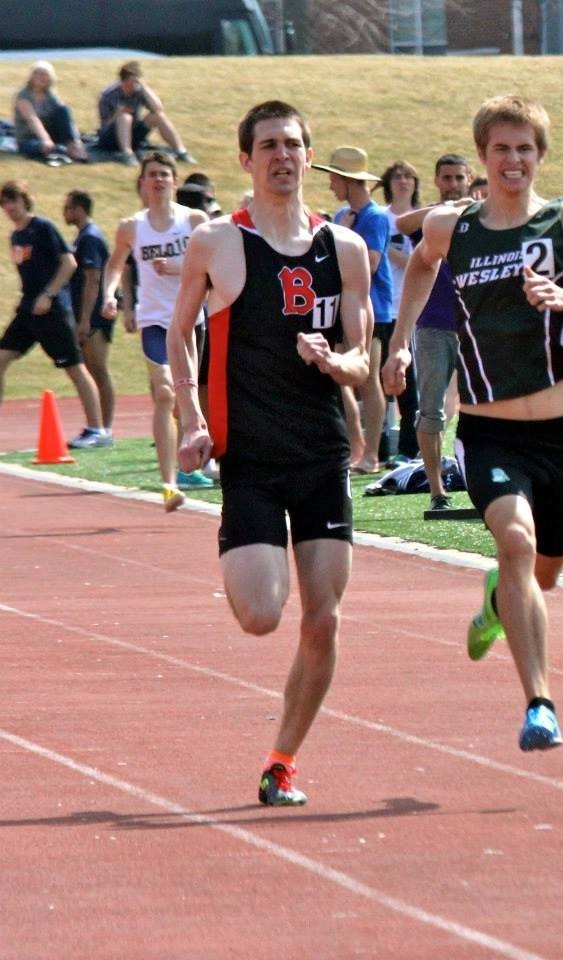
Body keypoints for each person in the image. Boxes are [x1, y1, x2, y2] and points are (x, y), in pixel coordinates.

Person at [383, 95, 563, 750]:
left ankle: (498, 603)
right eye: (501, 149)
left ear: (539, 155)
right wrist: (401, 341)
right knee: (515, 544)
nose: (513, 159)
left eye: (524, 148)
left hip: (562, 433)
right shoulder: (453, 227)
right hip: (489, 431)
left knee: (541, 575)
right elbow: (417, 264)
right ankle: (540, 704)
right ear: (483, 157)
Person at [166, 100, 371, 806]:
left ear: (307, 156)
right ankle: (248, 555)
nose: (282, 156)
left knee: (325, 616)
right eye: (268, 145)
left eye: (292, 144)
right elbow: (179, 334)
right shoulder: (217, 242)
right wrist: (191, 416)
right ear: (246, 160)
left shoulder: (344, 249)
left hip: (319, 453)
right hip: (249, 457)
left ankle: (282, 759)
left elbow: (362, 360)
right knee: (261, 614)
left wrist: (333, 362)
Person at [101, 151, 210, 510]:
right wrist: (110, 295)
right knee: (165, 392)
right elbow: (115, 264)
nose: (159, 179)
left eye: (165, 173)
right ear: (143, 183)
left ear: (175, 181)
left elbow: (210, 265)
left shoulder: (194, 220)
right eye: (153, 174)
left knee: (189, 395)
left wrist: (177, 267)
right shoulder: (132, 226)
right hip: (155, 321)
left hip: (190, 319)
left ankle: (195, 458)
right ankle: (168, 484)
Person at [394, 153, 474, 511]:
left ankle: (480, 484)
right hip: (431, 325)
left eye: (459, 177)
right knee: (430, 410)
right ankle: (437, 491)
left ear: (470, 178)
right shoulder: (431, 219)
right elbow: (400, 222)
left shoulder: (479, 219)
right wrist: (446, 209)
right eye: (447, 177)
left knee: (482, 406)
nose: (453, 184)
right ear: (437, 180)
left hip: (472, 323)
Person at [0, 180, 104, 442]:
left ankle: (97, 429)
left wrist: (49, 294)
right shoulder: (16, 236)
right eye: (5, 203)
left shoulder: (42, 228)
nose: (10, 207)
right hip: (27, 311)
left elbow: (69, 262)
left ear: (25, 201)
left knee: (75, 368)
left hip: (53, 311)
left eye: (14, 200)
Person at [313, 145, 392, 474]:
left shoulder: (373, 217)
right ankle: (356, 447)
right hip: (351, 309)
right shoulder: (350, 217)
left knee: (369, 379)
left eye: (334, 177)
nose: (331, 184)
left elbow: (370, 263)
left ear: (348, 181)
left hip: (375, 309)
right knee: (344, 378)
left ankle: (371, 454)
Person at [62, 190, 114, 444]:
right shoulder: (82, 237)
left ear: (79, 209)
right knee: (93, 371)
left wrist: (84, 320)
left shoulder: (90, 238)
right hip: (87, 314)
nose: (65, 212)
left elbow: (93, 279)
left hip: (93, 316)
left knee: (98, 370)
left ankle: (105, 429)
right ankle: (100, 427)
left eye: (68, 207)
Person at [376, 160, 420, 461]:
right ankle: (379, 447)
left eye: (409, 177)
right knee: (377, 381)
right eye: (398, 176)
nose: (403, 181)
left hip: (413, 307)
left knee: (410, 384)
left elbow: (419, 263)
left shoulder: (422, 219)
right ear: (388, 183)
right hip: (382, 307)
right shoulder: (381, 218)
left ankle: (408, 448)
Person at [96, 61, 196, 167]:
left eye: (135, 83)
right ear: (123, 82)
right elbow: (105, 125)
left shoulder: (139, 90)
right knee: (125, 117)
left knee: (158, 116)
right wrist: (117, 115)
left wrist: (145, 88)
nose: (132, 87)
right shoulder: (108, 95)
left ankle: (181, 151)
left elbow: (158, 109)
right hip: (110, 137)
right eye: (130, 83)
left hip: (133, 133)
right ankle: (127, 154)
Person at [13, 61, 88, 164]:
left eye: (44, 75)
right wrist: (46, 140)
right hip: (30, 137)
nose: (41, 77)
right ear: (31, 77)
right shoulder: (23, 96)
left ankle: (74, 146)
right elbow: (33, 120)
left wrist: (76, 141)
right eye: (37, 74)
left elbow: (66, 119)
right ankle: (64, 151)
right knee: (49, 149)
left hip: (51, 133)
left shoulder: (50, 95)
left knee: (63, 109)